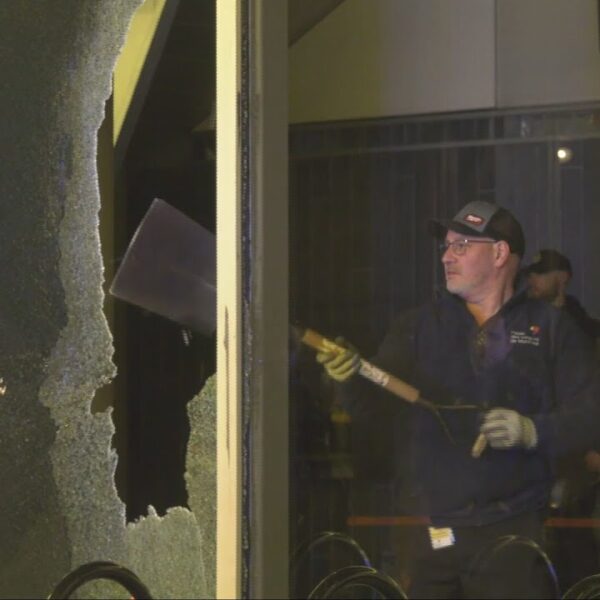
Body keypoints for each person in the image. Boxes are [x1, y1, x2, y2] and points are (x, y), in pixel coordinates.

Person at [316, 200, 600, 599]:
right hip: (432, 534)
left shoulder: (552, 330)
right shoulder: (419, 327)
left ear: (500, 253)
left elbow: (590, 415)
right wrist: (347, 377)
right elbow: (373, 409)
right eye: (446, 247)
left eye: (461, 246)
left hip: (515, 532)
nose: (446, 256)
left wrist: (534, 430)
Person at [525, 249, 600, 590]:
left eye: (542, 274)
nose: (533, 281)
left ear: (563, 278)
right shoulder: (528, 326)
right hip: (544, 449)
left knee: (573, 540)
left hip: (576, 455)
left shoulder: (582, 330)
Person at [525, 249, 600, 349]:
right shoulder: (523, 314)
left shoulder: (576, 317)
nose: (532, 279)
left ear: (563, 277)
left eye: (541, 273)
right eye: (530, 275)